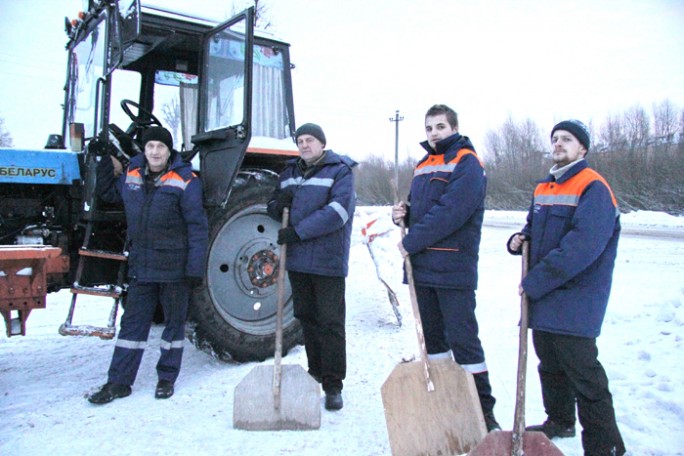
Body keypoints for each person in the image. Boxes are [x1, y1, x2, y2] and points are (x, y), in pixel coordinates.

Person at [507, 119, 625, 455]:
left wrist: (535, 281)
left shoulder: (593, 187)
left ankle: (606, 447)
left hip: (576, 299)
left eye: (567, 139)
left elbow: (582, 247)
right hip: (543, 297)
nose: (559, 143)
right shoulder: (545, 187)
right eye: (555, 138)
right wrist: (518, 240)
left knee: (585, 377)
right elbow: (533, 227)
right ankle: (560, 420)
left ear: (582, 148)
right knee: (551, 366)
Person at [392, 104, 500, 432]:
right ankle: (446, 406)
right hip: (422, 269)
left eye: (440, 127)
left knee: (464, 343)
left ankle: (484, 415)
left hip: (453, 268)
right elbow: (423, 209)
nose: (434, 133)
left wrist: (411, 241)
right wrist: (404, 213)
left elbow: (451, 211)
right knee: (433, 343)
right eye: (429, 128)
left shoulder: (467, 162)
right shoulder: (424, 164)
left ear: (453, 127)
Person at [88, 126, 208, 404]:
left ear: (169, 151)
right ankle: (118, 382)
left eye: (160, 147)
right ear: (145, 149)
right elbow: (107, 193)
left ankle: (166, 378)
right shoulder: (132, 175)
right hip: (142, 266)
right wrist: (104, 160)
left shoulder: (186, 180)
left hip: (175, 267)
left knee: (173, 326)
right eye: (150, 146)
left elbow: (197, 228)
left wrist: (194, 268)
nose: (155, 152)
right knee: (131, 326)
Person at [267, 123, 357, 411]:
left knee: (330, 322)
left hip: (327, 260)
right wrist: (275, 204)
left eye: (310, 140)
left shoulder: (339, 171)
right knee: (306, 317)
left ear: (322, 143)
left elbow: (337, 212)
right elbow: (273, 202)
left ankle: (333, 384)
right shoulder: (289, 173)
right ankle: (315, 371)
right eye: (300, 141)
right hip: (298, 260)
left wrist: (298, 231)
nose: (304, 145)